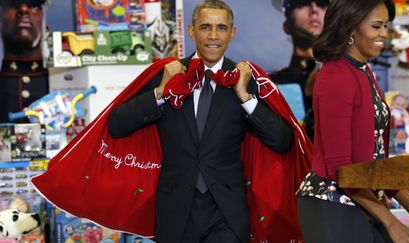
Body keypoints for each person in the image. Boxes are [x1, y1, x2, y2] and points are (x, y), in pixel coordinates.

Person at [108, 1, 294, 242]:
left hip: (227, 212)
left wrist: (246, 98)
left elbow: (283, 141)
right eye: (205, 27)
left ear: (232, 33)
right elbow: (117, 124)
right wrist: (161, 92)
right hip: (175, 211)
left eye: (222, 28)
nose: (213, 36)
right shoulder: (168, 74)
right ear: (191, 31)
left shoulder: (245, 79)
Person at [296, 0, 409, 242]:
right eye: (376, 26)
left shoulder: (362, 70)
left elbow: (372, 160)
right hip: (333, 206)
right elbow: (341, 169)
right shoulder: (336, 75)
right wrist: (392, 222)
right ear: (350, 29)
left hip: (360, 200)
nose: (384, 34)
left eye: (385, 26)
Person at [269, 0, 328, 140]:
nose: (314, 9)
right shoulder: (274, 83)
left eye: (321, 3)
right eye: (302, 3)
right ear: (286, 26)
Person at [0, 0, 50, 123]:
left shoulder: (64, 82)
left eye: (34, 6)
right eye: (13, 5)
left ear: (45, 25)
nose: (23, 10)